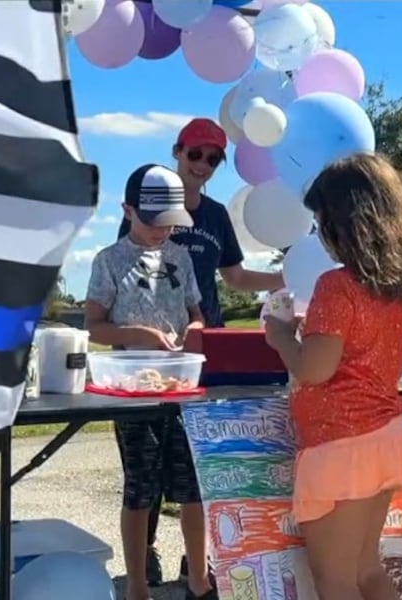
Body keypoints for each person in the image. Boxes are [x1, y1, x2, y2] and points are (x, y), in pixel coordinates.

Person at [117, 117, 283, 587]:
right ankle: (143, 561)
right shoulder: (147, 206)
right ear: (177, 151)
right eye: (195, 155)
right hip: (147, 360)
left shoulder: (214, 217)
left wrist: (287, 278)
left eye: (213, 159)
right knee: (143, 466)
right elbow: (125, 272)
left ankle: (199, 564)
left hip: (204, 355)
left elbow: (235, 277)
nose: (203, 165)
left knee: (199, 464)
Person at [263, 154, 402, 600]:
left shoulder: (336, 287)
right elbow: (358, 351)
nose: (321, 237)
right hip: (385, 437)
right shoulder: (398, 288)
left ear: (342, 223)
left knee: (335, 581)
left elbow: (315, 368)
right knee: (367, 571)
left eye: (320, 224)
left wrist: (281, 337)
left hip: (340, 448)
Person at [85, 164, 217, 600]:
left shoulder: (180, 257)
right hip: (132, 390)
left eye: (169, 224)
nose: (162, 232)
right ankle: (138, 586)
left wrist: (196, 330)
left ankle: (198, 578)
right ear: (127, 210)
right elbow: (94, 326)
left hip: (180, 387)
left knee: (192, 486)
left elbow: (196, 312)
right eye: (152, 222)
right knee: (141, 488)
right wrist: (135, 336)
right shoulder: (109, 261)